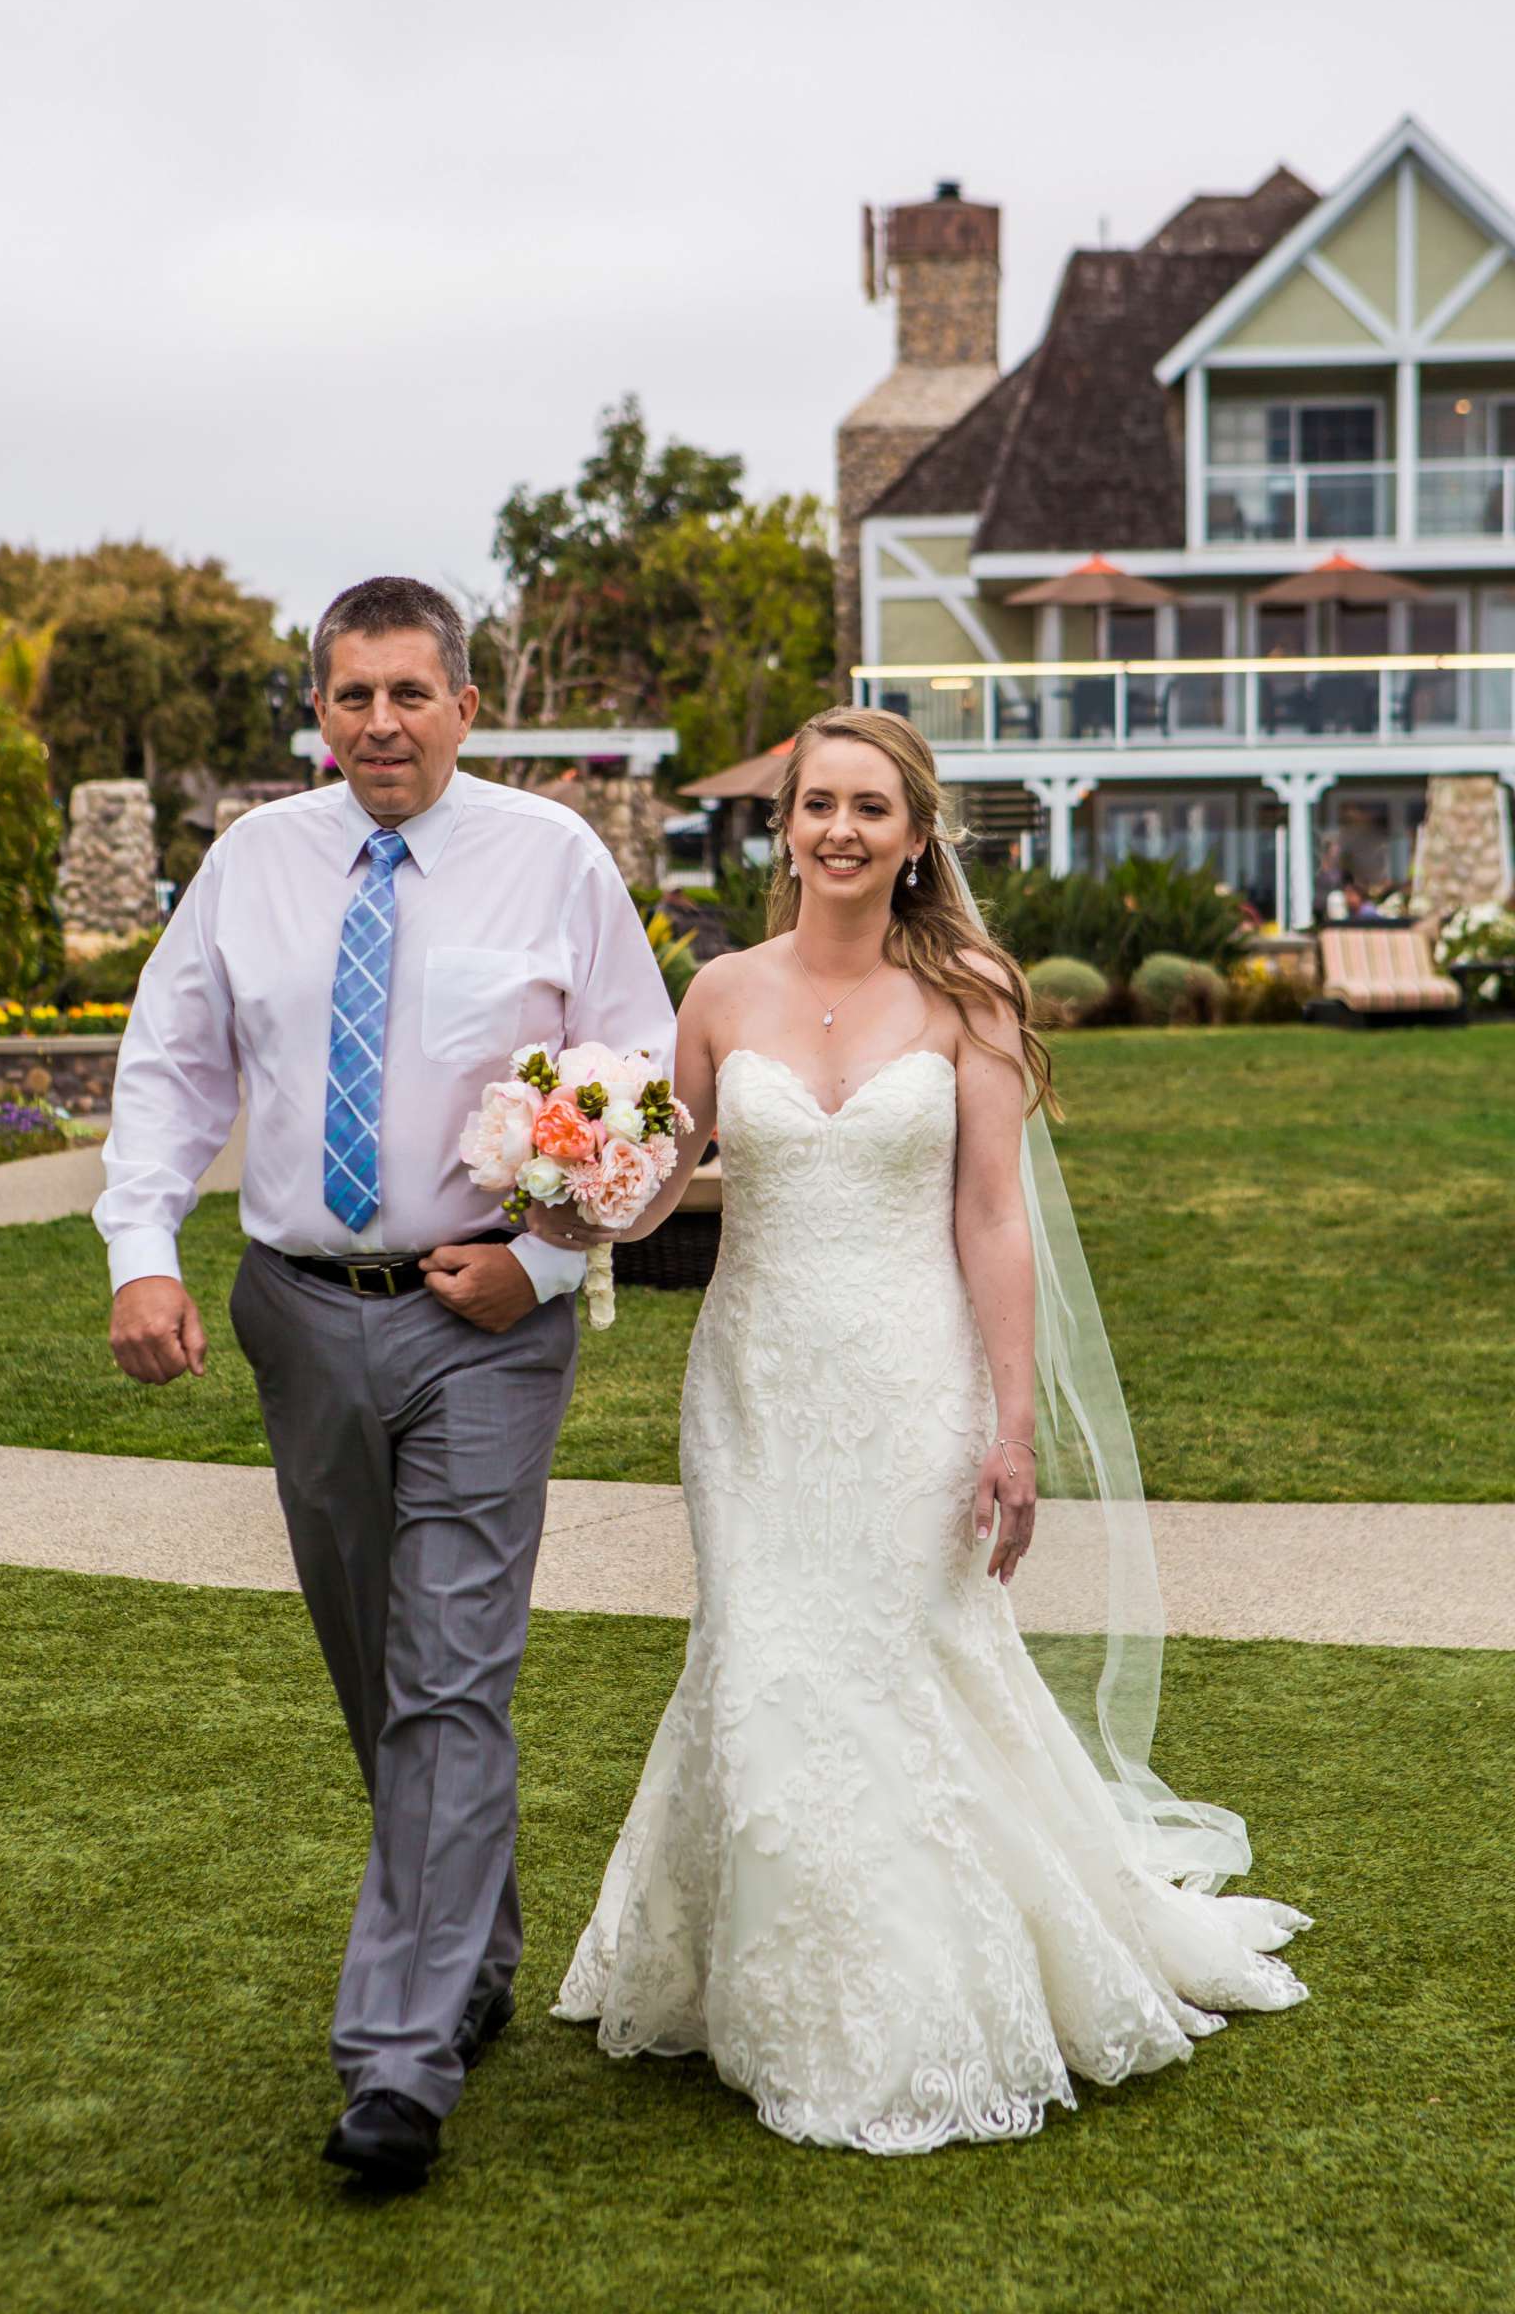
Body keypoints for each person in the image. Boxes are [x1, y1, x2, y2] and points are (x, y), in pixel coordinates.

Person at [532, 707, 1308, 2153]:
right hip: (754, 1389)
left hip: (913, 1381)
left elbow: (993, 1214)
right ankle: (765, 1985)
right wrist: (562, 1190)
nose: (840, 829)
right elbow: (655, 1189)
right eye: (816, 804)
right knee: (761, 1651)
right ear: (787, 829)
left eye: (870, 808)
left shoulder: (970, 995)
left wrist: (1014, 1425)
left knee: (904, 1655)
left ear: (914, 832)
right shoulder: (718, 997)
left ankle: (915, 1987)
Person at [95, 575, 674, 2186]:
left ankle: (398, 2062)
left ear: (467, 706)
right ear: (319, 709)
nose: (379, 724)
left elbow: (646, 1090)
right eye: (351, 697)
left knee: (448, 1671)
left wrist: (546, 1263)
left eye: (410, 693)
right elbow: (170, 1069)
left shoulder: (553, 860)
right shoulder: (254, 866)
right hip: (296, 1311)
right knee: (378, 1662)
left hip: (482, 1317)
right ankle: (468, 1950)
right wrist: (142, 1247)